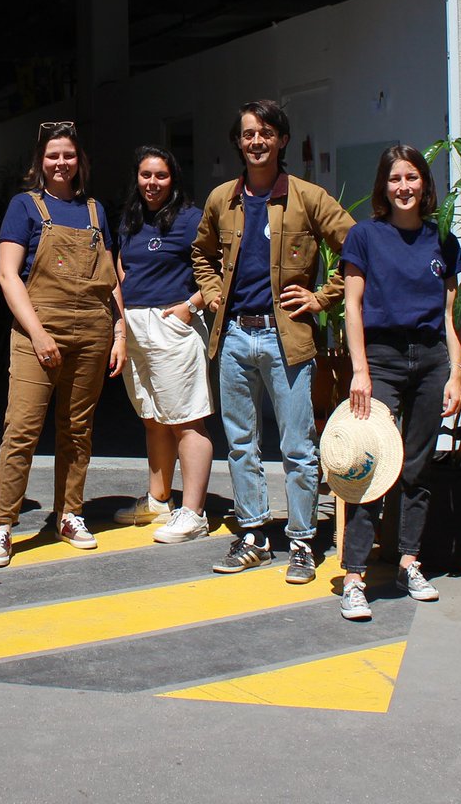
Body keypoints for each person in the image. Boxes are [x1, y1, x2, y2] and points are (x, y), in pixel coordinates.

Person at [192, 100, 354, 581]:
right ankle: (254, 536)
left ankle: (302, 542)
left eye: (265, 133)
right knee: (241, 443)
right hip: (236, 335)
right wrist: (215, 294)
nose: (256, 142)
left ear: (282, 139)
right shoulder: (223, 198)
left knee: (298, 447)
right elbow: (201, 254)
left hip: (289, 339)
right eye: (247, 134)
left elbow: (358, 246)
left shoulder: (308, 197)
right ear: (238, 143)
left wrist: (324, 297)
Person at [0, 121, 127, 568]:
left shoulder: (95, 211)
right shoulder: (24, 208)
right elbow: (8, 276)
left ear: (79, 160)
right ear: (39, 162)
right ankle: (3, 527)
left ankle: (70, 513)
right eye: (52, 156)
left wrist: (119, 331)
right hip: (36, 331)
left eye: (67, 155)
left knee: (77, 429)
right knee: (21, 429)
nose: (60, 163)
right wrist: (39, 334)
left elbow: (110, 277)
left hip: (92, 331)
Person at [337, 144, 461, 621]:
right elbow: (352, 306)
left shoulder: (442, 241)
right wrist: (361, 370)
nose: (404, 187)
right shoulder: (365, 236)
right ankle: (354, 576)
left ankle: (410, 562)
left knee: (417, 468)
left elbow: (451, 315)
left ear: (425, 185)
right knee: (372, 465)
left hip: (431, 358)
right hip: (383, 359)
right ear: (383, 187)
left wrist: (455, 372)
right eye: (395, 179)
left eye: (412, 178)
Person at [114, 146, 214, 543]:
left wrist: (191, 305)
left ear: (174, 179)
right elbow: (123, 263)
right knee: (153, 417)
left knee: (186, 420)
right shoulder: (133, 217)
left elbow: (221, 266)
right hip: (136, 324)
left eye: (160, 176)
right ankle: (159, 500)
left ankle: (194, 513)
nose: (151, 184)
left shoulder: (191, 219)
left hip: (172, 324)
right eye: (145, 175)